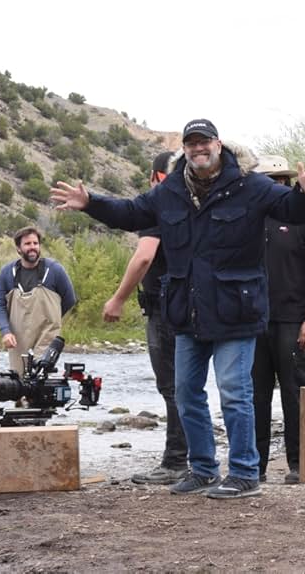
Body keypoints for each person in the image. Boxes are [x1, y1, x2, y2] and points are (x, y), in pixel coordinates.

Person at [50, 119, 305, 500]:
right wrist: (90, 204)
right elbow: (132, 212)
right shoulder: (171, 191)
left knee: (234, 392)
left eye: (204, 143)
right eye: (191, 144)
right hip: (187, 311)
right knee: (186, 394)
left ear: (217, 144)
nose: (198, 150)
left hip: (236, 311)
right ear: (184, 149)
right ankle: (202, 469)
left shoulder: (250, 184)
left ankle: (246, 473)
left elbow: (292, 208)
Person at [102, 150, 189, 485]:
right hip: (188, 306)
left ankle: (175, 462)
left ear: (156, 176)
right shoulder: (190, 202)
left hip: (165, 308)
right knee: (187, 386)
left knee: (173, 387)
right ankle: (191, 458)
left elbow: (144, 257)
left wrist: (118, 298)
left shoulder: (160, 204)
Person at [251, 155, 305, 485]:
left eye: (279, 179)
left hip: (294, 320)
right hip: (252, 322)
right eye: (267, 179)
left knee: (297, 393)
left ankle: (300, 464)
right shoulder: (250, 218)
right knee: (253, 396)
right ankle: (253, 467)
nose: (275, 184)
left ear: (287, 181)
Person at [0, 226, 77, 373]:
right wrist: (5, 331)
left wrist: (52, 318)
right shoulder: (7, 272)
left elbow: (70, 299)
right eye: (27, 244)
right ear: (18, 249)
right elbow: (0, 304)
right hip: (18, 339)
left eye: (35, 243)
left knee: (39, 378)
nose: (32, 247)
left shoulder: (55, 270)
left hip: (47, 336)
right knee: (18, 384)